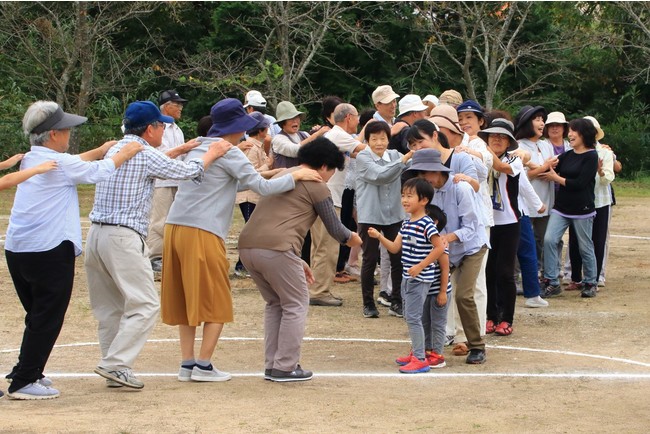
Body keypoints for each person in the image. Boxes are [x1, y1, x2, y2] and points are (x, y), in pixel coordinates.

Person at [161, 98, 322, 383]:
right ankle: (204, 365)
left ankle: (188, 363)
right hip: (202, 231)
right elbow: (261, 188)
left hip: (175, 228)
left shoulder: (197, 144)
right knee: (216, 300)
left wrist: (273, 171)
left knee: (186, 298)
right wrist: (296, 175)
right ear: (235, 127)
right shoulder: (231, 153)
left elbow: (231, 181)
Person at [85, 100, 232, 389]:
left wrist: (180, 149)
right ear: (150, 128)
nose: (164, 129)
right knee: (145, 304)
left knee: (110, 308)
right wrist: (211, 153)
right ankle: (115, 364)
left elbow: (158, 161)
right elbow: (188, 173)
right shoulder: (142, 153)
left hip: (96, 236)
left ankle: (115, 367)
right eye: (161, 125)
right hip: (122, 238)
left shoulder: (118, 148)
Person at [5, 100, 143, 400]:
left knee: (37, 315)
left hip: (19, 249)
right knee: (47, 317)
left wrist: (100, 150)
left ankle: (26, 371)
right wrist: (124, 153)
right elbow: (96, 173)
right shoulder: (61, 163)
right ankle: (24, 381)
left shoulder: (32, 157)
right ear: (53, 134)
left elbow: (77, 163)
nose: (70, 133)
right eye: (66, 129)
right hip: (48, 250)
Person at [238, 137, 362, 382]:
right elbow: (337, 230)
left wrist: (296, 258)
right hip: (276, 249)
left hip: (248, 246)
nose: (329, 177)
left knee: (275, 303)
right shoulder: (316, 183)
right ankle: (285, 366)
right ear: (324, 166)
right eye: (332, 171)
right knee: (295, 303)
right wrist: (358, 240)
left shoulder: (286, 174)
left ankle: (274, 364)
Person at [404, 148, 489, 364]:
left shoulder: (461, 188)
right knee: (431, 295)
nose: (424, 179)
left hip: (471, 248)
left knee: (463, 296)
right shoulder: (426, 195)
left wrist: (448, 238)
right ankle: (428, 347)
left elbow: (472, 226)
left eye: (426, 174)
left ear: (439, 171)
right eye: (419, 175)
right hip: (444, 251)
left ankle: (477, 346)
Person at [368, 178, 445, 374]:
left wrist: (420, 266)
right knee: (411, 316)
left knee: (413, 317)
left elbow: (440, 248)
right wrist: (379, 237)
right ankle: (416, 353)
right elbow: (395, 248)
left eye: (409, 196)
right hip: (407, 277)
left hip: (420, 279)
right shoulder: (406, 223)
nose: (404, 199)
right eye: (403, 195)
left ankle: (420, 358)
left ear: (424, 200)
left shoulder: (427, 223)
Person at [309, 104, 366, 306]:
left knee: (320, 246)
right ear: (349, 117)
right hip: (329, 197)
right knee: (328, 245)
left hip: (326, 195)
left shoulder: (337, 136)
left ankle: (316, 288)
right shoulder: (339, 134)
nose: (359, 121)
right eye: (358, 117)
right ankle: (319, 292)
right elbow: (364, 150)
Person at [356, 121, 412, 318]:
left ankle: (397, 300)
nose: (379, 143)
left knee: (398, 259)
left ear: (389, 139)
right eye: (374, 139)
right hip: (370, 215)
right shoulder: (362, 157)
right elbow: (380, 176)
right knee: (370, 259)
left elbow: (413, 166)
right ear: (368, 140)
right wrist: (403, 162)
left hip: (394, 215)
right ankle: (368, 304)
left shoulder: (396, 155)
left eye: (383, 138)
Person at [539, 118, 599, 298]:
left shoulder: (591, 156)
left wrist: (556, 178)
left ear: (584, 134)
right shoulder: (567, 154)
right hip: (562, 207)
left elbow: (580, 183)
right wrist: (544, 165)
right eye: (570, 131)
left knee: (584, 246)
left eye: (574, 131)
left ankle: (590, 282)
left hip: (582, 209)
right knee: (549, 240)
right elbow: (551, 167)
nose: (570, 134)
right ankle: (552, 281)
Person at [480, 118, 523, 336]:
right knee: (488, 270)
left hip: (509, 222)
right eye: (493, 135)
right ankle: (490, 315)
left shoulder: (515, 160)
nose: (497, 139)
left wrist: (481, 150)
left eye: (502, 136)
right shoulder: (479, 158)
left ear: (509, 142)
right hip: (487, 221)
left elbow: (501, 167)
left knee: (505, 272)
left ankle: (507, 317)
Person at [566, 116, 614, 292]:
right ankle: (576, 277)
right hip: (579, 201)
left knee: (597, 240)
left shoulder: (605, 153)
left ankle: (593, 278)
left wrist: (600, 171)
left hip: (600, 202)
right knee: (575, 240)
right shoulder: (572, 151)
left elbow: (608, 178)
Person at [146, 89, 192, 275]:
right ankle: (155, 257)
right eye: (177, 104)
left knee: (173, 219)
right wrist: (183, 149)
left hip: (176, 179)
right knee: (159, 220)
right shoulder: (157, 127)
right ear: (166, 107)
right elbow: (157, 156)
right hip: (160, 181)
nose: (181, 107)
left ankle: (170, 255)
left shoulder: (176, 128)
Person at [514, 105, 556, 275]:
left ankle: (540, 273)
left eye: (542, 119)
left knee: (542, 240)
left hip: (546, 201)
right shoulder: (518, 146)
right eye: (537, 119)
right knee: (523, 241)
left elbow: (550, 170)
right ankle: (518, 275)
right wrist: (543, 168)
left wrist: (546, 170)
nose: (542, 123)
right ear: (526, 123)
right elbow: (522, 176)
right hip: (526, 204)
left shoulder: (546, 145)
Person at [233, 112, 274, 278]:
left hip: (254, 195)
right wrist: (267, 166)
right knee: (250, 232)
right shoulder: (251, 146)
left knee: (254, 231)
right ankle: (241, 265)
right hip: (249, 195)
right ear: (262, 130)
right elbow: (249, 173)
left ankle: (246, 265)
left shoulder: (257, 146)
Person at [421, 204, 451, 368]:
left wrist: (442, 292)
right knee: (425, 322)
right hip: (425, 291)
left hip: (439, 291)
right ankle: (426, 350)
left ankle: (438, 354)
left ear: (434, 222)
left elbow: (445, 269)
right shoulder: (423, 241)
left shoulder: (439, 243)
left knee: (438, 324)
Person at [271, 101, 329, 169]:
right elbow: (295, 151)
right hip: (287, 178)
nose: (295, 121)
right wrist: (316, 134)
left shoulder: (304, 134)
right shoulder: (278, 139)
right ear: (282, 122)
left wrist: (321, 134)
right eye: (290, 118)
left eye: (296, 117)